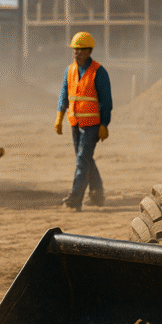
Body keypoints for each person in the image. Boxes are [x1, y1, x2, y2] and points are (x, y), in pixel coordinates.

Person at [56, 31, 112, 210]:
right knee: (85, 159)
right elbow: (64, 93)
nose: (76, 53)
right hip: (75, 123)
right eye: (74, 50)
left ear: (89, 51)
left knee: (82, 160)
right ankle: (97, 193)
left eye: (80, 50)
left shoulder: (99, 72)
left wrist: (104, 124)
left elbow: (106, 102)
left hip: (92, 125)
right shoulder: (70, 70)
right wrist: (59, 116)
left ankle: (75, 198)